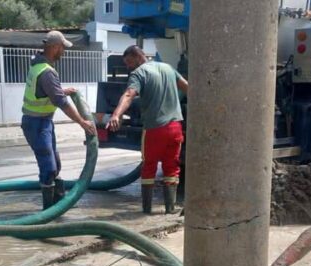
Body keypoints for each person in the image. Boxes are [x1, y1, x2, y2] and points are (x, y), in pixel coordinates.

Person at [108, 45, 189, 214]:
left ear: (139, 57)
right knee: (171, 166)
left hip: (154, 128)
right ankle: (170, 209)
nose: (128, 67)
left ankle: (146, 210)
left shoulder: (139, 73)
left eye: (129, 62)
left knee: (149, 166)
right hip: (175, 128)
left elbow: (129, 94)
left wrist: (116, 114)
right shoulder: (168, 68)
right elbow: (187, 88)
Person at [22, 30, 97, 209]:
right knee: (48, 168)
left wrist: (63, 90)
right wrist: (82, 121)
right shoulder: (46, 72)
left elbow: (45, 93)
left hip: (43, 123)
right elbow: (61, 102)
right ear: (55, 47)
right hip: (36, 125)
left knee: (56, 165)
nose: (63, 51)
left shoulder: (38, 65)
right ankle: (47, 212)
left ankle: (59, 204)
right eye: (63, 47)